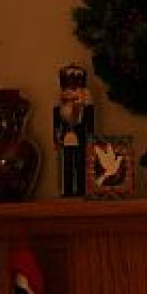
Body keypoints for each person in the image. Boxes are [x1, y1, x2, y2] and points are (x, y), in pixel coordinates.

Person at [53, 64, 94, 198]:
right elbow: (56, 118)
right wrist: (55, 135)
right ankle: (68, 189)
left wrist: (91, 136)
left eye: (77, 77)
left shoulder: (86, 96)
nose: (73, 81)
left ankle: (82, 189)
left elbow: (90, 117)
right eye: (70, 77)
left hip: (81, 132)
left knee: (82, 161)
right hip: (66, 133)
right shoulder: (60, 97)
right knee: (67, 162)